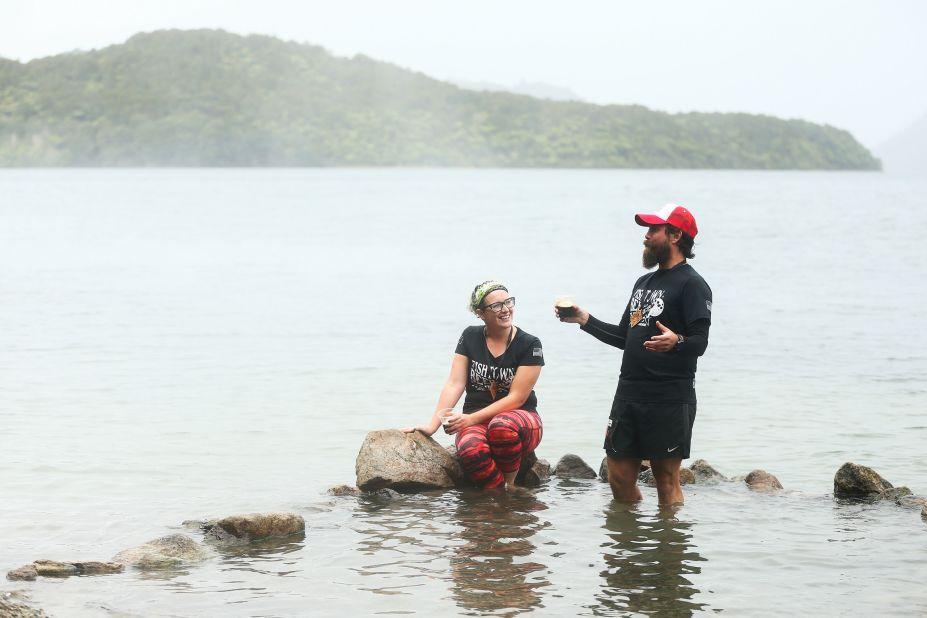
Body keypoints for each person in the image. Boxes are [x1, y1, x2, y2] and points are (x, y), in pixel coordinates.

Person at [557, 204, 712, 506]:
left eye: (654, 229)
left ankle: (668, 537)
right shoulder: (643, 283)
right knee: (618, 476)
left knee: (665, 480)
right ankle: (631, 534)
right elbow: (624, 338)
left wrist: (677, 341)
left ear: (675, 235)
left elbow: (700, 342)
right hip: (628, 394)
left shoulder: (693, 284)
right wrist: (584, 319)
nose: (646, 236)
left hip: (669, 396)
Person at [403, 280, 544, 490]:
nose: (505, 309)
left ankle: (510, 485)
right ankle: (499, 496)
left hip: (521, 419)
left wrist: (469, 419)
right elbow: (455, 383)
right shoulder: (470, 336)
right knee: (471, 450)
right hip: (476, 420)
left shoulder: (530, 344)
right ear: (480, 313)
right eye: (496, 305)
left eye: (508, 302)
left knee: (501, 426)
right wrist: (432, 426)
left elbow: (517, 398)